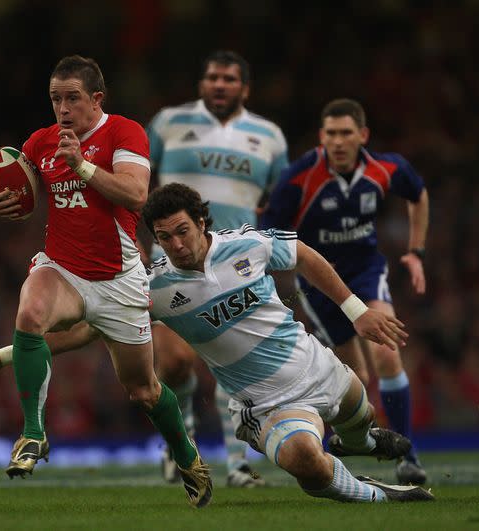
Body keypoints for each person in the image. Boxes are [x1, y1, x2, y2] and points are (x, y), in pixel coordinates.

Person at [0, 183, 434, 503]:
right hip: (265, 404)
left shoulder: (246, 245)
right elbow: (89, 329)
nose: (176, 245)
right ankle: (384, 498)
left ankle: (363, 442)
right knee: (308, 464)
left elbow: (304, 255)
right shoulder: (154, 289)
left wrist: (357, 310)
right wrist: (10, 355)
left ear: (201, 221)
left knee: (361, 419)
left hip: (316, 365)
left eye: (183, 231)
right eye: (164, 237)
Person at [0, 56, 212, 508]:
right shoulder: (41, 142)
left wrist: (82, 166)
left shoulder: (124, 132)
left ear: (96, 99)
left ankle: (186, 456)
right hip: (62, 269)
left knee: (144, 391)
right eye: (55, 99)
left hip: (119, 279)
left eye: (72, 98)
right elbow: (7, 183)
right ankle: (32, 433)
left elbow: (137, 193)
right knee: (30, 313)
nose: (62, 109)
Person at [260, 98, 429, 485]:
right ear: (321, 137)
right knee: (355, 378)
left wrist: (415, 252)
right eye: (331, 134)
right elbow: (269, 237)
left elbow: (418, 195)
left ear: (362, 135)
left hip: (367, 272)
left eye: (346, 133)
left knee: (387, 356)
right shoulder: (297, 179)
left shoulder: (386, 169)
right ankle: (351, 441)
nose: (338, 141)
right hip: (320, 285)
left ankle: (410, 457)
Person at [143, 50, 289, 487]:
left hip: (237, 263)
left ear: (244, 87)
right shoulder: (167, 123)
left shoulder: (269, 137)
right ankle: (181, 445)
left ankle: (238, 465)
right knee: (174, 363)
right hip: (170, 262)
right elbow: (136, 183)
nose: (218, 84)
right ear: (201, 83)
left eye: (228, 79)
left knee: (238, 361)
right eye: (211, 77)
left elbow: (279, 200)